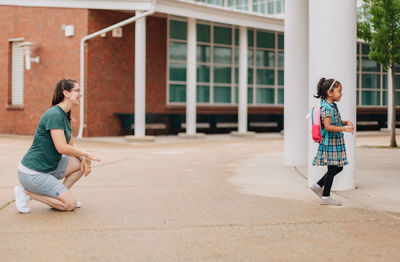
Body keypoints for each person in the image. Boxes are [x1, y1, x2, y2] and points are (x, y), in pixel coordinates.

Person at [14, 79, 100, 213]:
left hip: (48, 167)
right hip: (32, 173)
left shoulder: (64, 115)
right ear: (66, 93)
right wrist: (86, 154)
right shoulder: (54, 114)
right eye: (77, 90)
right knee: (69, 205)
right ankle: (27, 193)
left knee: (80, 163)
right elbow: (62, 148)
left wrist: (83, 158)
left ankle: (60, 197)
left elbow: (72, 144)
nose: (80, 94)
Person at [310, 78, 354, 206]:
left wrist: (345, 122)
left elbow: (334, 122)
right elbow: (328, 126)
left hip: (333, 143)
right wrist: (344, 128)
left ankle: (318, 186)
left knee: (337, 167)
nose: (341, 93)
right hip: (330, 143)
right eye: (339, 91)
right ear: (330, 92)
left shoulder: (331, 106)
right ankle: (325, 197)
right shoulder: (327, 108)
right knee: (333, 168)